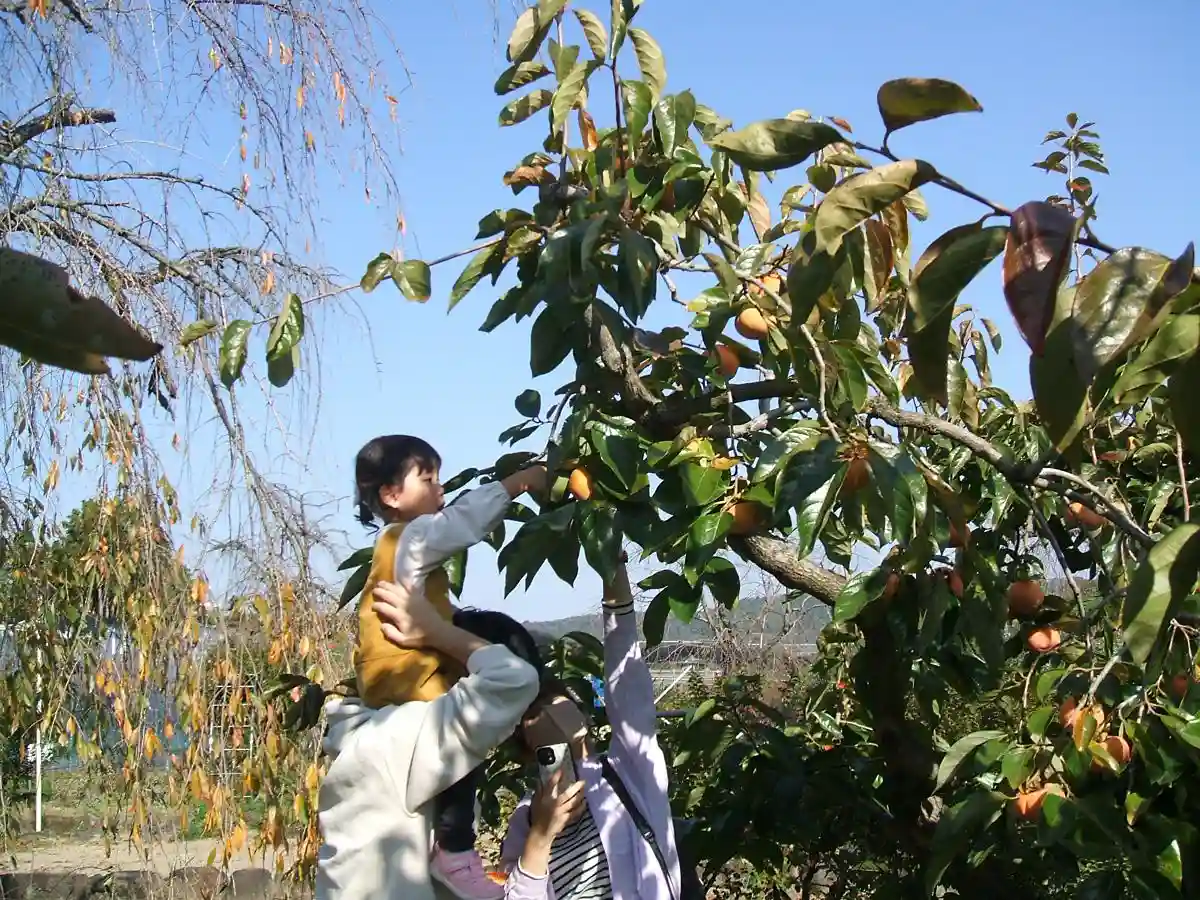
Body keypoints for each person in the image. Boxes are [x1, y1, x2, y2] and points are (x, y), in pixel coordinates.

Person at [350, 434, 548, 899]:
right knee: (461, 748)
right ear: (391, 495)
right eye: (427, 479)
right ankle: (455, 851)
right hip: (409, 672)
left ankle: (453, 848)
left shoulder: (395, 548)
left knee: (496, 630)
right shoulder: (412, 536)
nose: (440, 489)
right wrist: (517, 483)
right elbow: (463, 524)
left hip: (394, 670)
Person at [317, 579, 550, 900]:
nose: (510, 726)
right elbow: (515, 679)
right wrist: (436, 630)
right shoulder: (407, 739)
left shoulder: (386, 735)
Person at [498, 556, 687, 900]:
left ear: (584, 717)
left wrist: (610, 558)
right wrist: (541, 833)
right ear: (522, 743)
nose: (547, 715)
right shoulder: (527, 818)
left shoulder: (628, 774)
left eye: (552, 701)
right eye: (530, 714)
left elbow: (627, 679)